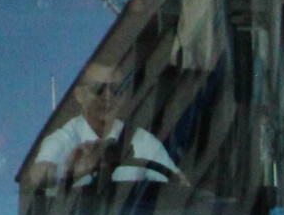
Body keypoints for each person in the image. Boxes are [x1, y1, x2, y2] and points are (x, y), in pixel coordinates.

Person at [23, 65, 181, 192]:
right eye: (98, 88)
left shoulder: (141, 140)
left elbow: (177, 188)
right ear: (79, 94)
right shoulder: (63, 139)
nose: (107, 97)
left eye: (116, 89)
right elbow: (37, 176)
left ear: (124, 96)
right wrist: (69, 171)